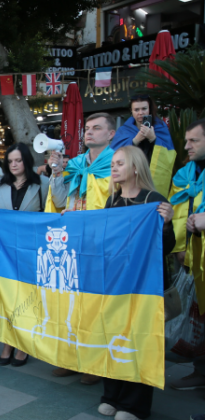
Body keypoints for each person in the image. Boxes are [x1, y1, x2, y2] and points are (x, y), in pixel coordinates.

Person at [97, 146, 174, 420]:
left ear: (136, 167)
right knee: (113, 338)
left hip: (143, 288)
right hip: (115, 285)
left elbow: (166, 247)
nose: (114, 168)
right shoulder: (112, 201)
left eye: (120, 163)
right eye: (112, 164)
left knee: (139, 341)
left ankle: (134, 406)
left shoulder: (154, 200)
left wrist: (166, 224)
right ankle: (112, 396)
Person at [47, 113, 116, 384]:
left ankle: (95, 363)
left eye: (97, 128)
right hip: (73, 241)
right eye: (87, 128)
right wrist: (56, 174)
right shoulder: (74, 163)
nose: (89, 132)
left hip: (100, 242)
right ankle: (71, 357)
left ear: (111, 134)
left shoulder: (117, 163)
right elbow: (61, 200)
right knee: (71, 302)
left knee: (96, 304)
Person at [0, 143, 48, 367]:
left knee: (27, 297)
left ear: (26, 161)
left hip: (30, 250)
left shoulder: (42, 184)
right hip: (4, 250)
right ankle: (7, 342)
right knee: (7, 294)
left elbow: (51, 210)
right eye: (10, 161)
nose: (14, 165)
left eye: (18, 160)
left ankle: (24, 344)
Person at [167, 119, 205, 392]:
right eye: (187, 140)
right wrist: (180, 247)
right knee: (198, 319)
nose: (186, 145)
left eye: (194, 140)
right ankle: (200, 372)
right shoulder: (184, 175)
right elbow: (177, 212)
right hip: (192, 259)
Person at [111, 94, 176, 196]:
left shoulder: (161, 127)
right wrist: (136, 140)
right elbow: (114, 155)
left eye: (144, 109)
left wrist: (153, 139)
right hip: (131, 178)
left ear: (149, 109)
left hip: (153, 177)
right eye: (136, 110)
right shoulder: (124, 130)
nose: (140, 113)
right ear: (131, 111)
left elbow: (169, 153)